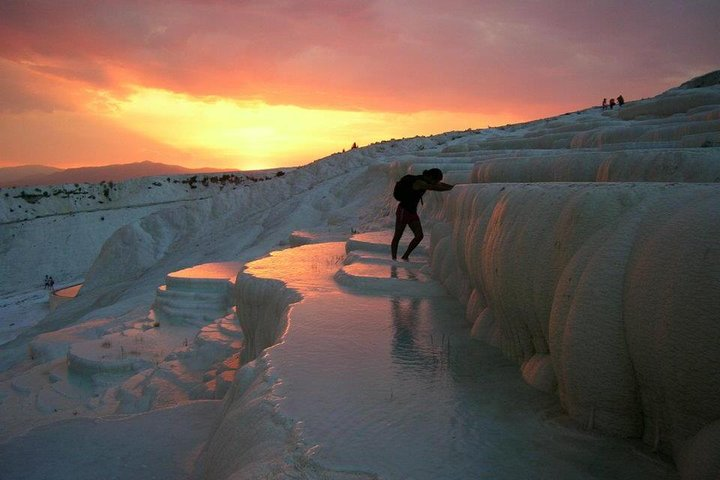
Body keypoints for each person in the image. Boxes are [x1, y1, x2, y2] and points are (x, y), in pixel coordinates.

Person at [391, 168, 453, 261]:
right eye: (436, 180)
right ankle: (394, 259)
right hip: (403, 211)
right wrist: (451, 188)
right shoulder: (420, 182)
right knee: (398, 235)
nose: (436, 182)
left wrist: (454, 187)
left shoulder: (426, 181)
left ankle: (405, 256)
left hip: (412, 212)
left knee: (419, 236)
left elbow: (439, 185)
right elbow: (435, 187)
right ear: (431, 177)